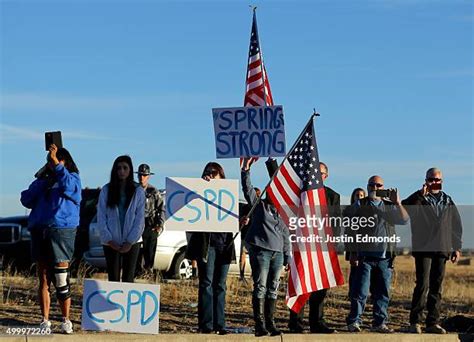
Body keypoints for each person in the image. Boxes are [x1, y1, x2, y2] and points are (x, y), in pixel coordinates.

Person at [20, 144, 81, 334]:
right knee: (43, 278)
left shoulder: (72, 178)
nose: (53, 163)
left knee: (61, 278)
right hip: (40, 230)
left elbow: (71, 189)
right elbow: (26, 199)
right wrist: (41, 180)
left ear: (65, 161)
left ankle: (66, 319)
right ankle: (45, 320)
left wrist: (58, 167)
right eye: (50, 160)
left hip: (61, 230)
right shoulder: (44, 181)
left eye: (57, 159)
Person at [345, 175, 409, 333]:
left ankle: (379, 323)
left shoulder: (389, 206)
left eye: (379, 185)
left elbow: (405, 220)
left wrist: (397, 202)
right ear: (367, 187)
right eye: (372, 185)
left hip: (385, 257)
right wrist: (352, 252)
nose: (375, 188)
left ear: (383, 188)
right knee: (360, 291)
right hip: (364, 256)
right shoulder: (360, 204)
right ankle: (354, 322)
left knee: (383, 292)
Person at [402, 168, 463, 334]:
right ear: (426, 179)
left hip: (442, 248)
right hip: (423, 248)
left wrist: (456, 247)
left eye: (437, 180)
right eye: (431, 179)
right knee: (423, 284)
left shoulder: (447, 200)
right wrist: (419, 194)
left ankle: (432, 322)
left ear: (442, 181)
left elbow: (456, 225)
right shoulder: (419, 198)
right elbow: (405, 209)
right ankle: (415, 321)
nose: (434, 182)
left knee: (437, 286)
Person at [288, 162, 341, 334]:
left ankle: (317, 322)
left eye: (321, 172)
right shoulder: (300, 193)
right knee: (301, 283)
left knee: (319, 287)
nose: (317, 175)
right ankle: (296, 322)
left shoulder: (333, 196)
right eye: (314, 171)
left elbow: (336, 223)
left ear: (326, 176)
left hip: (323, 248)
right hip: (303, 246)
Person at [241, 158, 290, 337]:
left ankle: (271, 322)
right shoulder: (259, 206)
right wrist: (245, 171)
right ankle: (259, 324)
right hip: (261, 250)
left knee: (273, 287)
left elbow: (286, 234)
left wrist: (288, 256)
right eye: (271, 192)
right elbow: (247, 189)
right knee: (260, 286)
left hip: (277, 253)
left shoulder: (282, 211)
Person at [185, 162, 236, 335]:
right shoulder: (199, 194)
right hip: (208, 246)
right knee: (206, 283)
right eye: (207, 172)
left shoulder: (228, 195)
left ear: (221, 176)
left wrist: (242, 221)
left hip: (224, 245)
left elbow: (236, 217)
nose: (211, 175)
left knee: (220, 285)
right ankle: (206, 324)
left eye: (214, 172)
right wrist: (202, 186)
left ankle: (219, 324)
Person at [97, 155, 145, 283]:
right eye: (118, 168)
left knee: (128, 278)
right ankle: (112, 303)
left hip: (132, 242)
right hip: (111, 242)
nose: (122, 171)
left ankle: (125, 303)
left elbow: (140, 219)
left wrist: (130, 241)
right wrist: (109, 239)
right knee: (113, 278)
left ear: (130, 170)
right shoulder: (106, 190)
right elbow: (101, 217)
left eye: (125, 168)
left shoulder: (138, 191)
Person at [135, 164, 165, 275]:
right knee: (136, 250)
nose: (142, 177)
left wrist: (159, 225)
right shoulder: (134, 190)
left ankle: (149, 271)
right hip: (136, 224)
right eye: (140, 175)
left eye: (144, 175)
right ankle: (137, 271)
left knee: (150, 250)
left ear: (148, 176)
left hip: (150, 223)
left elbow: (162, 208)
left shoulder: (154, 191)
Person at [343, 188, 367, 298]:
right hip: (353, 244)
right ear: (353, 196)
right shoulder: (348, 210)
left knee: (364, 271)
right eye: (357, 195)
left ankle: (362, 294)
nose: (359, 197)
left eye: (362, 195)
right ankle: (352, 293)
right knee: (354, 271)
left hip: (366, 245)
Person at [239, 187, 261, 281]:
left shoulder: (260, 207)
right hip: (246, 234)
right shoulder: (245, 207)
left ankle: (253, 275)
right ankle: (242, 275)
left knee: (254, 257)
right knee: (243, 254)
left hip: (256, 236)